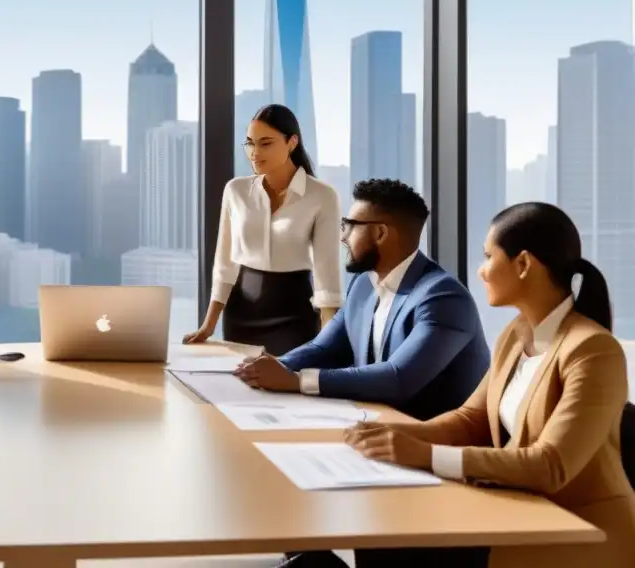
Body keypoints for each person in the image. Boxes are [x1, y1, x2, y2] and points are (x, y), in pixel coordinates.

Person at [343, 202, 635, 568]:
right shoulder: (515, 335)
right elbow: (472, 419)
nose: (480, 271)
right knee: (382, 537)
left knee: (398, 547)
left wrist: (424, 454)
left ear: (524, 264)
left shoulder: (593, 350)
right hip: (519, 510)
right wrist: (396, 434)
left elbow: (551, 465)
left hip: (579, 532)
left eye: (488, 256)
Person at [235, 179, 489, 422]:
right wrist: (271, 367)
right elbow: (323, 349)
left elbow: (398, 379)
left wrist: (297, 381)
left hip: (434, 444)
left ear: (380, 233)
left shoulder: (442, 298)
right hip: (375, 425)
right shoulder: (363, 286)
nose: (342, 237)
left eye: (349, 225)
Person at [184, 105, 342, 355]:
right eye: (250, 144)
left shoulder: (322, 196)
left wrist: (328, 342)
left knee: (290, 388)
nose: (255, 153)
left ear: (292, 142)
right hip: (242, 312)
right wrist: (209, 324)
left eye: (265, 143)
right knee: (240, 388)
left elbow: (327, 279)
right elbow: (225, 264)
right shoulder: (236, 191)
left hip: (295, 313)